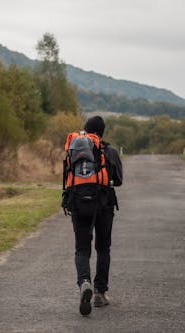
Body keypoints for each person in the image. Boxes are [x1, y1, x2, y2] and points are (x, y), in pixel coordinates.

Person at [71, 115, 123, 316]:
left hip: (78, 204)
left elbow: (68, 178)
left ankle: (84, 282)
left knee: (82, 249)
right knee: (103, 248)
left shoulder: (75, 149)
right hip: (103, 205)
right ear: (102, 132)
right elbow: (118, 180)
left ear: (85, 130)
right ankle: (100, 293)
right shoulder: (109, 151)